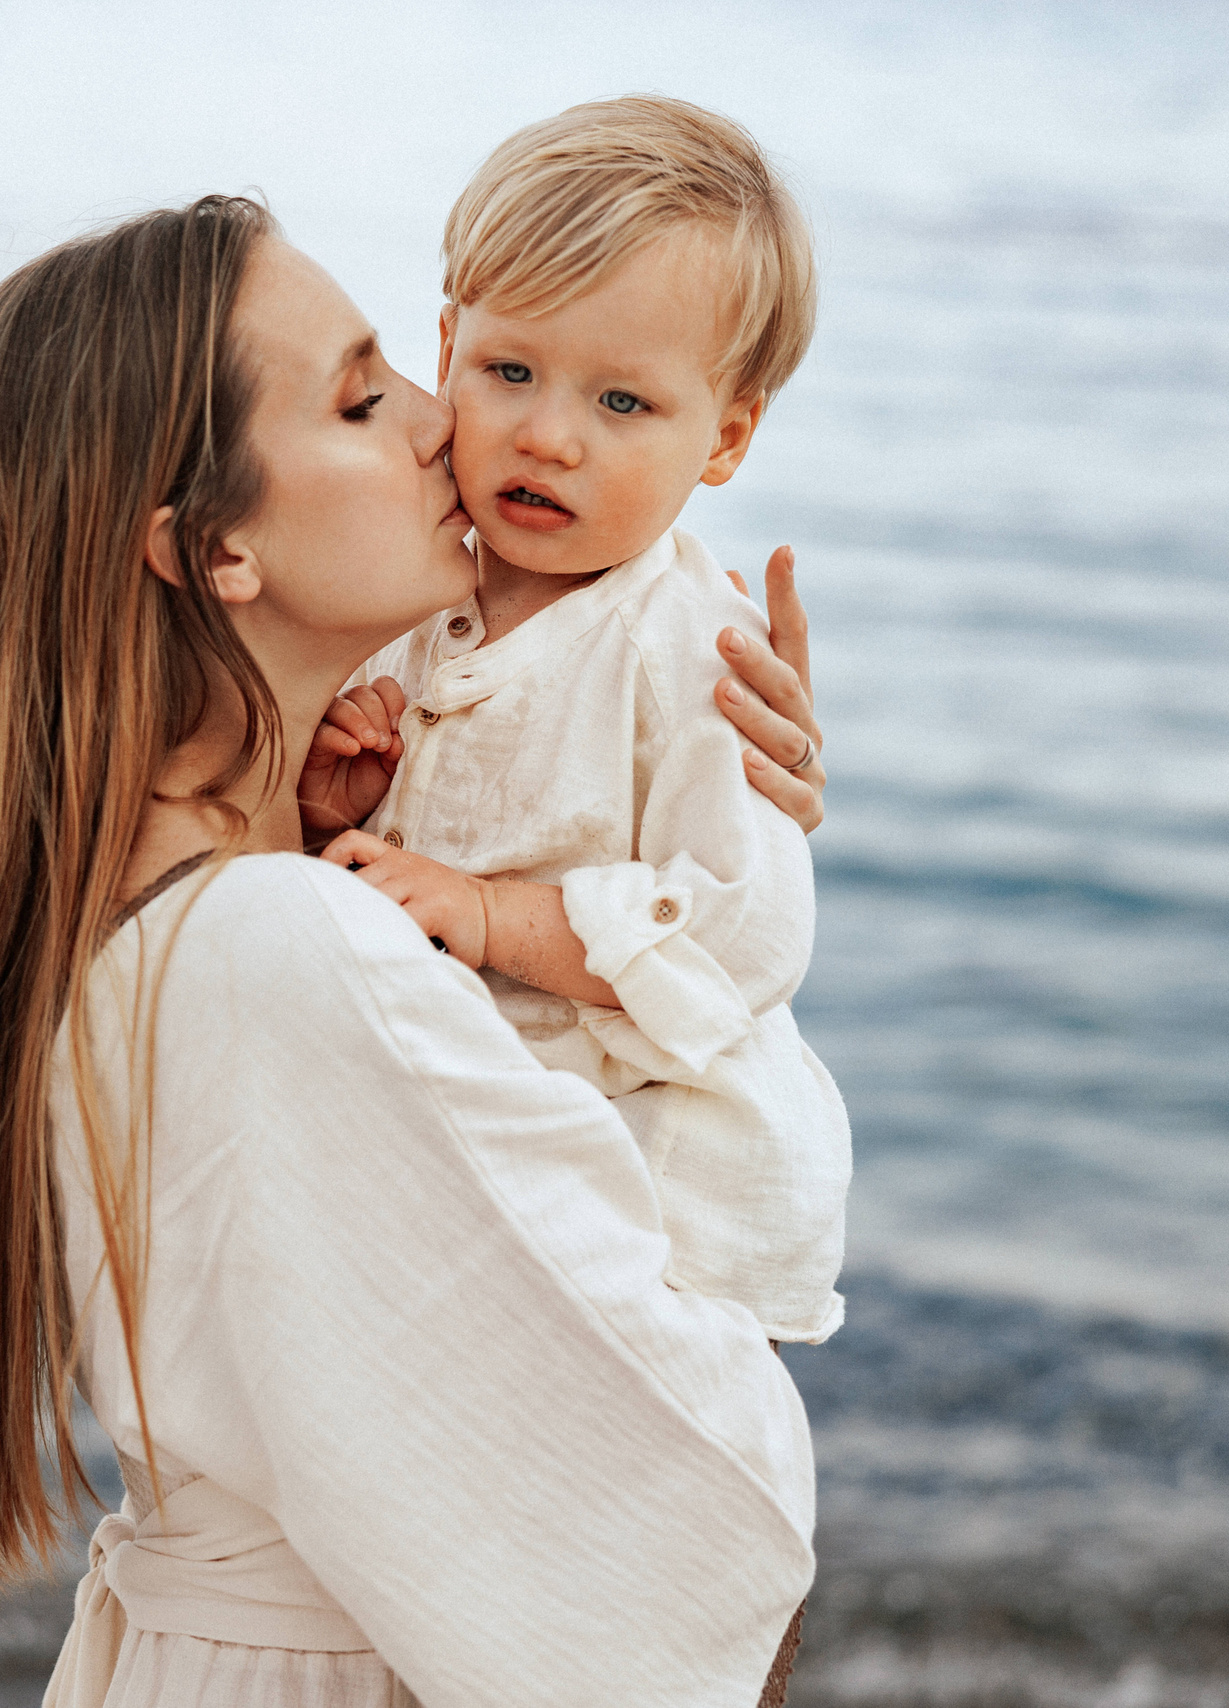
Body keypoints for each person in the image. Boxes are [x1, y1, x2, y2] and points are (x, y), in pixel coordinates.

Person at [0, 194, 830, 1708]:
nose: (444, 423)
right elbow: (697, 1547)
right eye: (364, 399)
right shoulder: (284, 949)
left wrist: (683, 788)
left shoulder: (142, 913)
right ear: (214, 548)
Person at [303, 97, 851, 1355]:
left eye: (622, 402)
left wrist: (489, 914)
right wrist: (329, 818)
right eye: (510, 372)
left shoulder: (692, 647)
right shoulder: (401, 604)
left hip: (663, 1205)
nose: (548, 436)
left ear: (725, 434)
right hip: (476, 1177)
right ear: (447, 348)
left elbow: (745, 933)